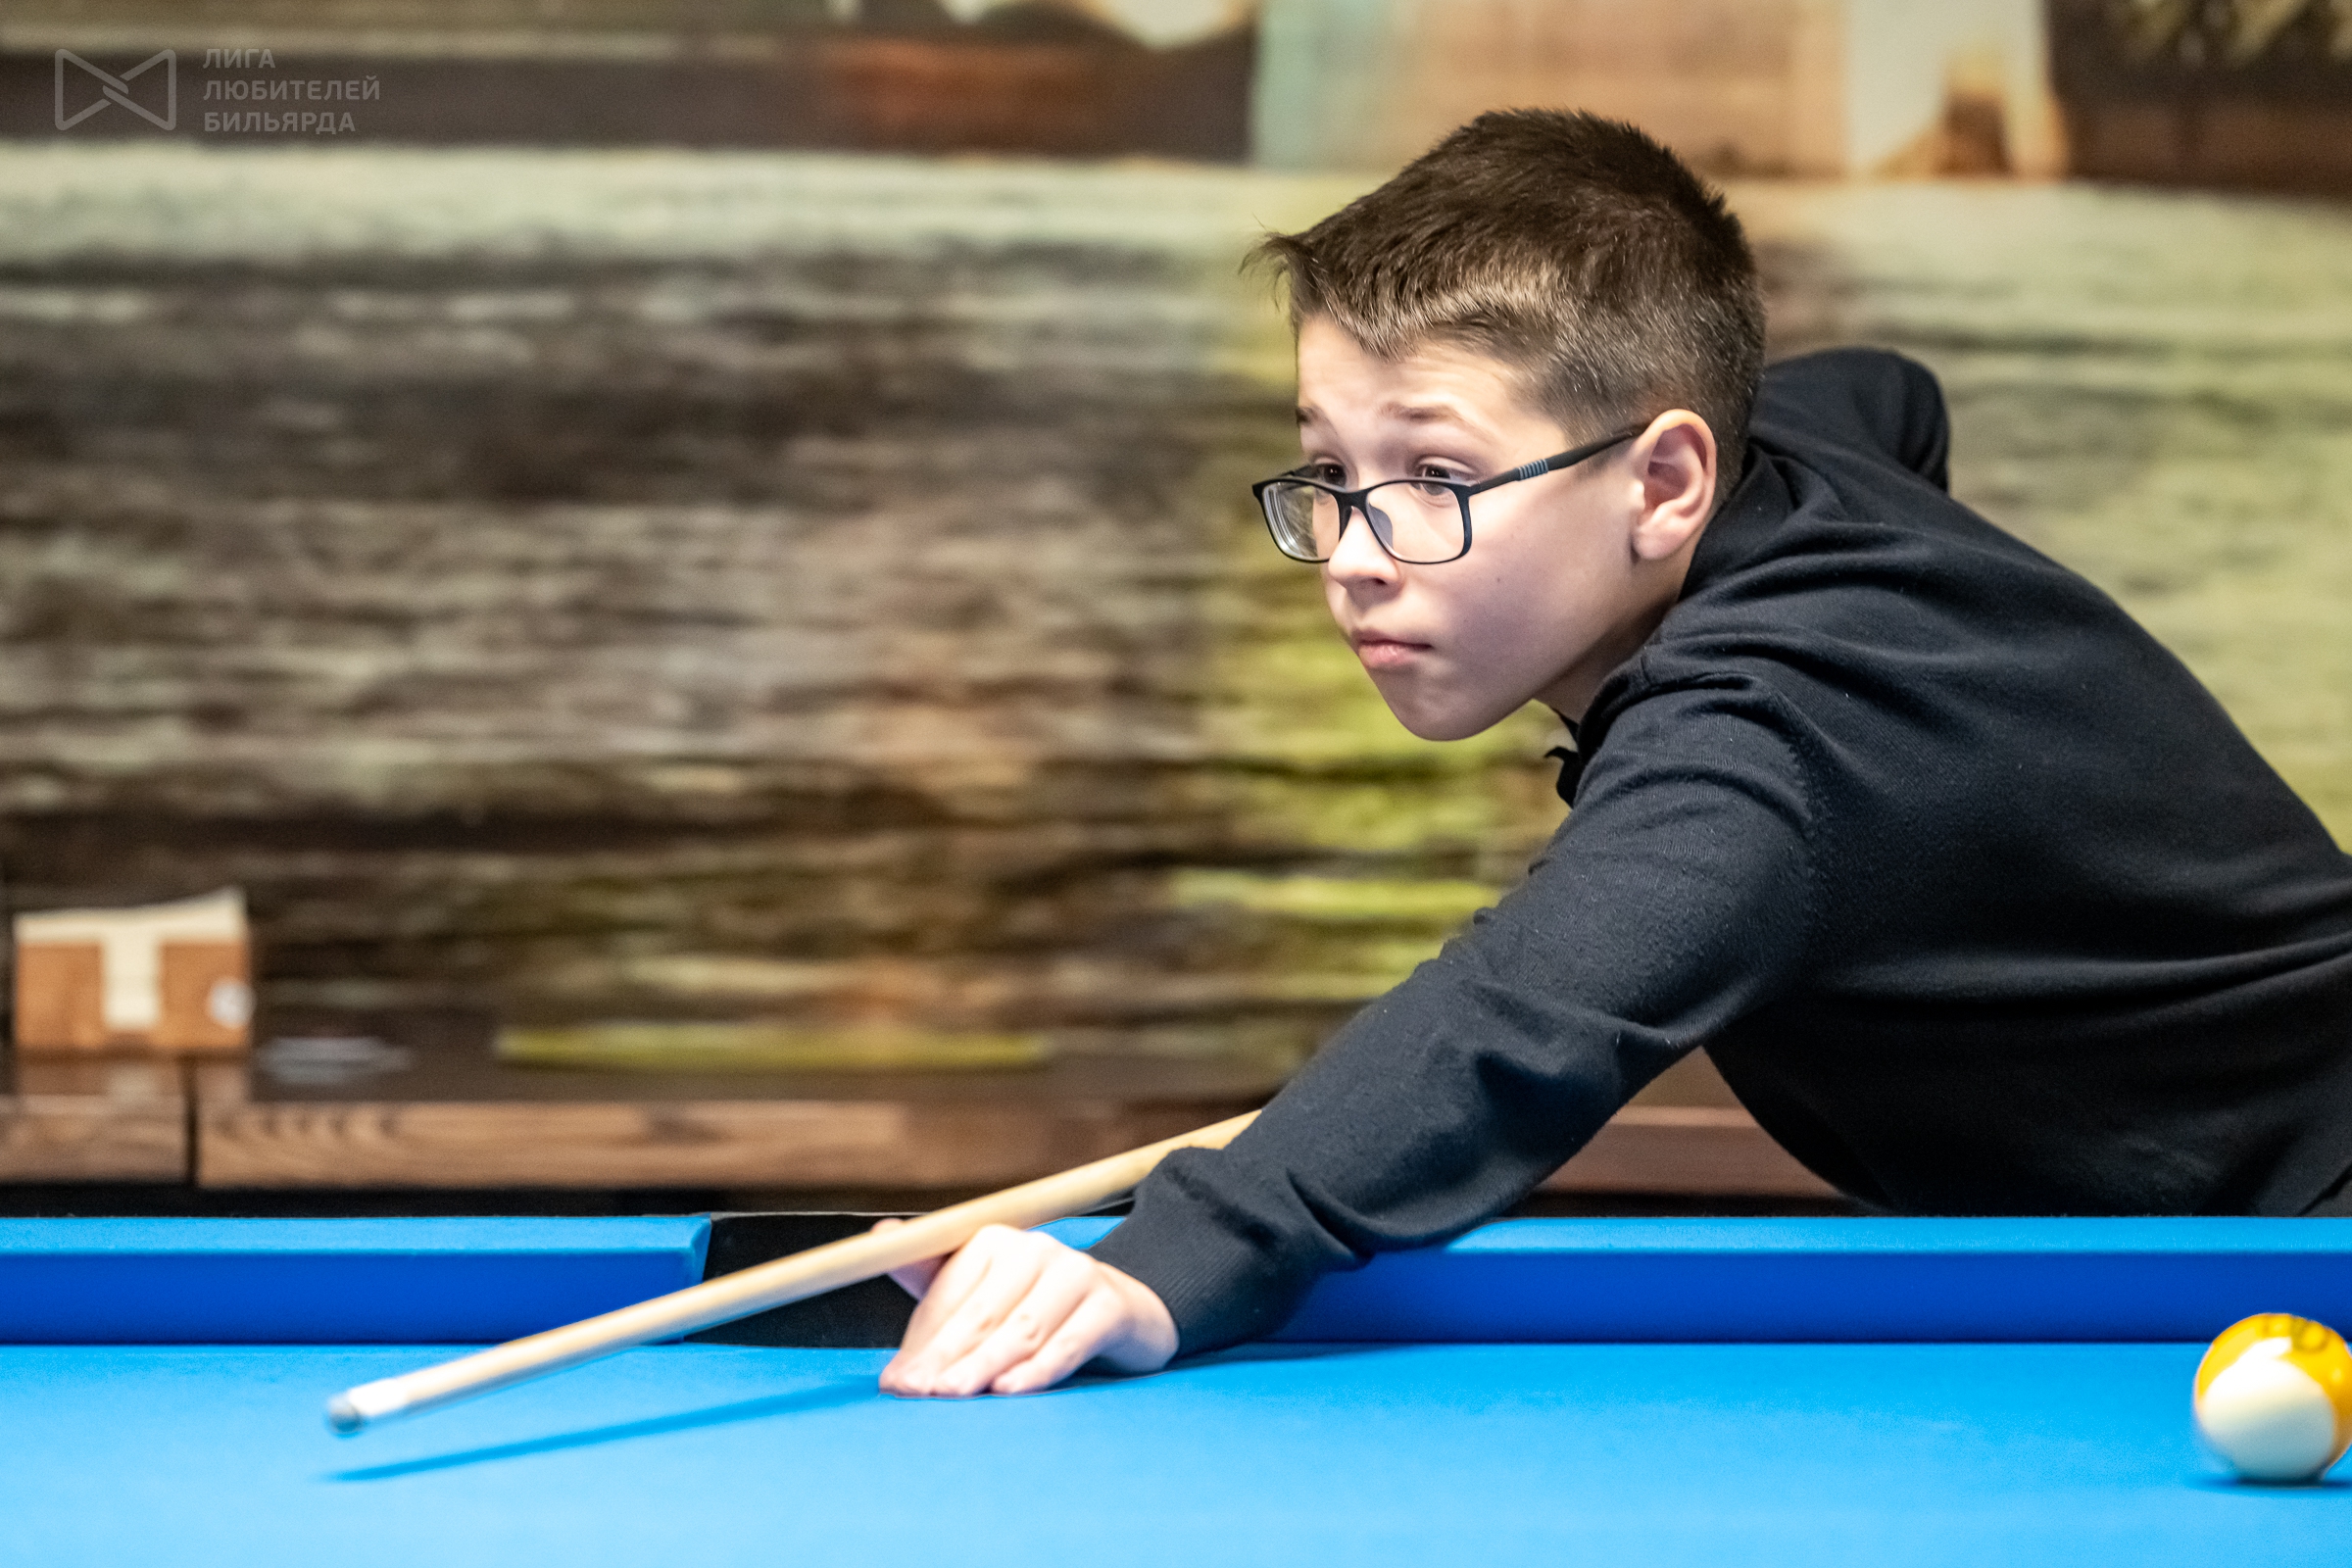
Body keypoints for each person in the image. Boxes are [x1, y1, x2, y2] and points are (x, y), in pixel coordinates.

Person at [874, 109, 2352, 1399]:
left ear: (1667, 483)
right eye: (1331, 470)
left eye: (1437, 475)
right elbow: (1886, 391)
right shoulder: (1792, 464)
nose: (1356, 554)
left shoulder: (1758, 750)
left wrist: (1174, 1260)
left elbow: (1516, 1020)